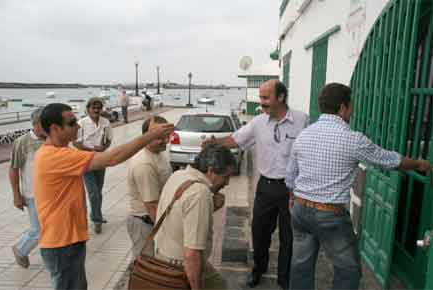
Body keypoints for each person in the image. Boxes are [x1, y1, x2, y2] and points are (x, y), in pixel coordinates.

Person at [285, 83, 433, 290]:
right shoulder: (352, 140)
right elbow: (389, 160)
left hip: (300, 210)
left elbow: (290, 177)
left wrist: (295, 198)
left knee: (301, 267)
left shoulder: (304, 135)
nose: (352, 110)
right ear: (343, 107)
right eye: (351, 105)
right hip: (330, 215)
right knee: (348, 270)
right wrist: (419, 164)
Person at [33, 103, 173, 290]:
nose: (78, 125)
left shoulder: (60, 153)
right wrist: (150, 136)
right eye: (72, 122)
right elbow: (113, 158)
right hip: (61, 243)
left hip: (68, 240)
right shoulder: (53, 156)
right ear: (54, 128)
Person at [202, 79, 308, 289]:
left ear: (281, 97)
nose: (262, 102)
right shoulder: (258, 122)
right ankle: (258, 270)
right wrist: (216, 142)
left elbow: (310, 151)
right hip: (266, 187)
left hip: (292, 189)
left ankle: (284, 279)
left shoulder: (302, 120)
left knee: (289, 237)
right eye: (260, 98)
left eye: (266, 98)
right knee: (259, 232)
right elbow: (236, 140)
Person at [154, 144, 236, 290]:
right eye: (226, 177)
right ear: (211, 171)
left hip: (162, 256)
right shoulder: (200, 193)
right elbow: (192, 254)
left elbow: (183, 213)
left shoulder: (179, 175)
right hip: (180, 267)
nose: (227, 183)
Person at [126, 116, 171, 258]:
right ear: (146, 137)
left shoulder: (157, 153)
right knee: (146, 270)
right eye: (160, 137)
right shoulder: (144, 164)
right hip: (146, 223)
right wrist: (169, 231)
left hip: (152, 221)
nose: (165, 141)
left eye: (167, 136)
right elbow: (152, 206)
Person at [8, 108, 45, 268]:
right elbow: (14, 169)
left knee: (48, 228)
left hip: (51, 194)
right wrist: (16, 195)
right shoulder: (22, 142)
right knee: (38, 230)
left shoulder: (52, 139)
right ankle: (21, 250)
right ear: (37, 124)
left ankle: (46, 257)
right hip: (33, 195)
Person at [73, 97, 113, 234]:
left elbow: (108, 140)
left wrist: (103, 147)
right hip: (86, 161)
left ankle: (95, 214)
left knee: (98, 191)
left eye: (98, 108)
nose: (96, 110)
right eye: (93, 108)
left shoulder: (106, 122)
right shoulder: (81, 123)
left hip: (101, 160)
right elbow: (76, 144)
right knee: (93, 192)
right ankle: (97, 219)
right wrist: (92, 150)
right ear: (88, 109)